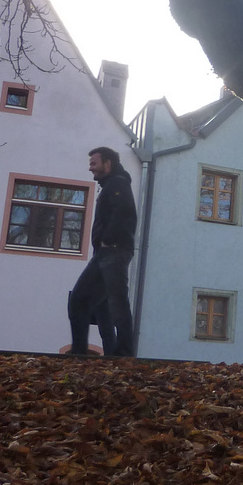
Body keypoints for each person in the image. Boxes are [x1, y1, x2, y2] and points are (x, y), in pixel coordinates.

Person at [67, 146, 137, 357]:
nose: (91, 169)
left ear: (108, 163)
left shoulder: (117, 183)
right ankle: (89, 350)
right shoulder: (113, 184)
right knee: (91, 301)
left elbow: (125, 211)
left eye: (94, 164)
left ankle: (119, 352)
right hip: (108, 252)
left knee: (95, 301)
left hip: (112, 252)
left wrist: (107, 240)